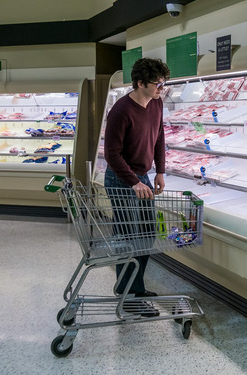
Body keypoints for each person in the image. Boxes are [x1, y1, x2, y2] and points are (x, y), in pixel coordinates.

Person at [103, 57, 169, 316]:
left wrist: (160, 171)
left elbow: (159, 136)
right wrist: (133, 182)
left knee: (146, 235)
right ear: (140, 83)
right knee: (129, 238)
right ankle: (129, 296)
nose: (161, 89)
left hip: (143, 177)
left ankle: (135, 287)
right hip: (121, 179)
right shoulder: (121, 110)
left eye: (163, 84)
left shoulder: (156, 103)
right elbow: (112, 154)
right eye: (157, 84)